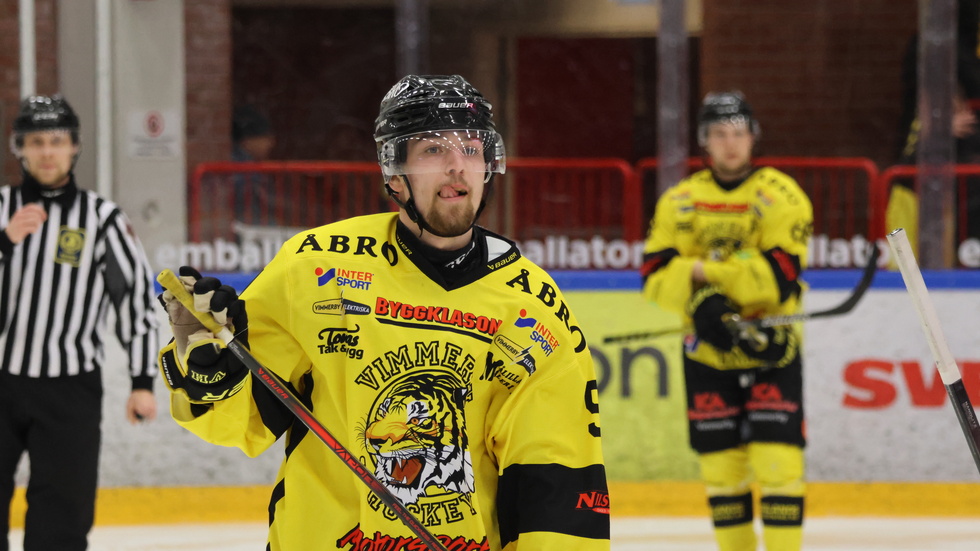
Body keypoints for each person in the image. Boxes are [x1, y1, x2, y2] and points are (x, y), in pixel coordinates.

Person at [158, 74, 610, 550]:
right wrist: (209, 369)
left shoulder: (533, 308)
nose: (457, 167)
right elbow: (242, 422)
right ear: (394, 173)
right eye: (434, 149)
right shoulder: (316, 269)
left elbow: (557, 481)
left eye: (472, 149)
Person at [640, 91, 813, 551]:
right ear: (704, 141)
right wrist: (714, 298)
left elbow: (779, 275)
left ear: (753, 137)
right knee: (720, 471)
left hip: (770, 345)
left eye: (738, 133)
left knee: (778, 465)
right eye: (719, 134)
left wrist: (699, 277)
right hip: (707, 351)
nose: (730, 143)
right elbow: (654, 274)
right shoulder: (680, 199)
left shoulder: (782, 194)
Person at [0, 95, 159, 551]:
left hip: (70, 389)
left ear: (74, 147)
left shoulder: (103, 219)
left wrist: (142, 381)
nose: (46, 151)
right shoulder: (2, 209)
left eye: (57, 141)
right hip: (1, 380)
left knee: (63, 515)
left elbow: (134, 302)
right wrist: (4, 242)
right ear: (19, 149)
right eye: (36, 142)